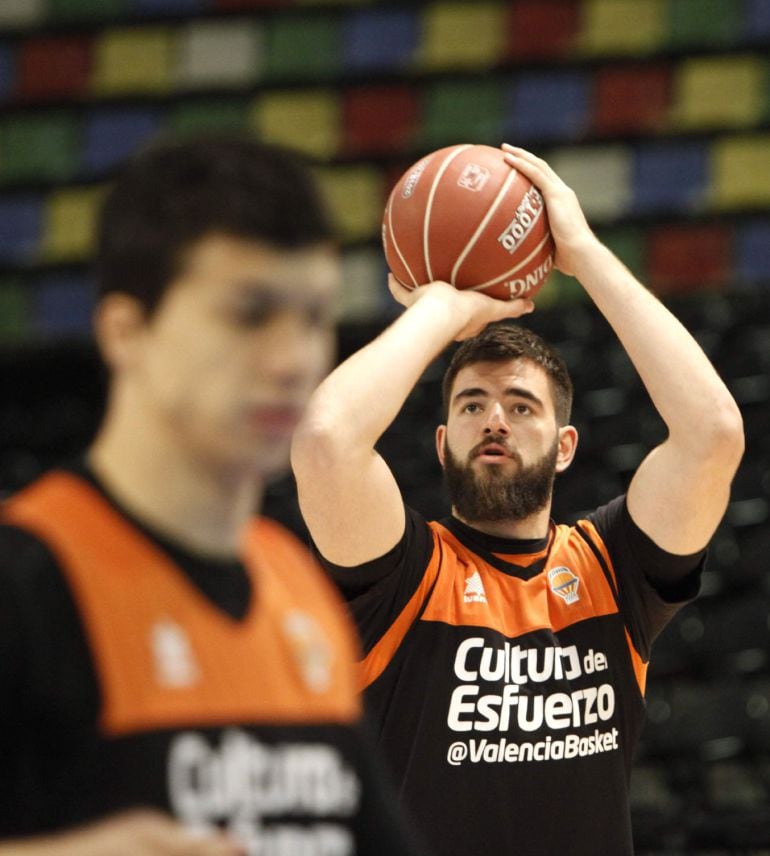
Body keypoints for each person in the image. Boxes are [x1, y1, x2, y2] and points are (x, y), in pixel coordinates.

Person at [291, 145, 745, 856]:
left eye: (521, 406)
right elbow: (324, 439)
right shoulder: (406, 577)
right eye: (473, 405)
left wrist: (586, 254)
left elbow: (713, 435)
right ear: (442, 442)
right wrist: (443, 308)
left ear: (566, 445)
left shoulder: (610, 567)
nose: (496, 418)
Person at [0, 135, 425, 856]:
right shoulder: (25, 585)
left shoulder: (297, 589)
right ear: (126, 331)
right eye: (249, 314)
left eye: (315, 317)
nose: (293, 360)